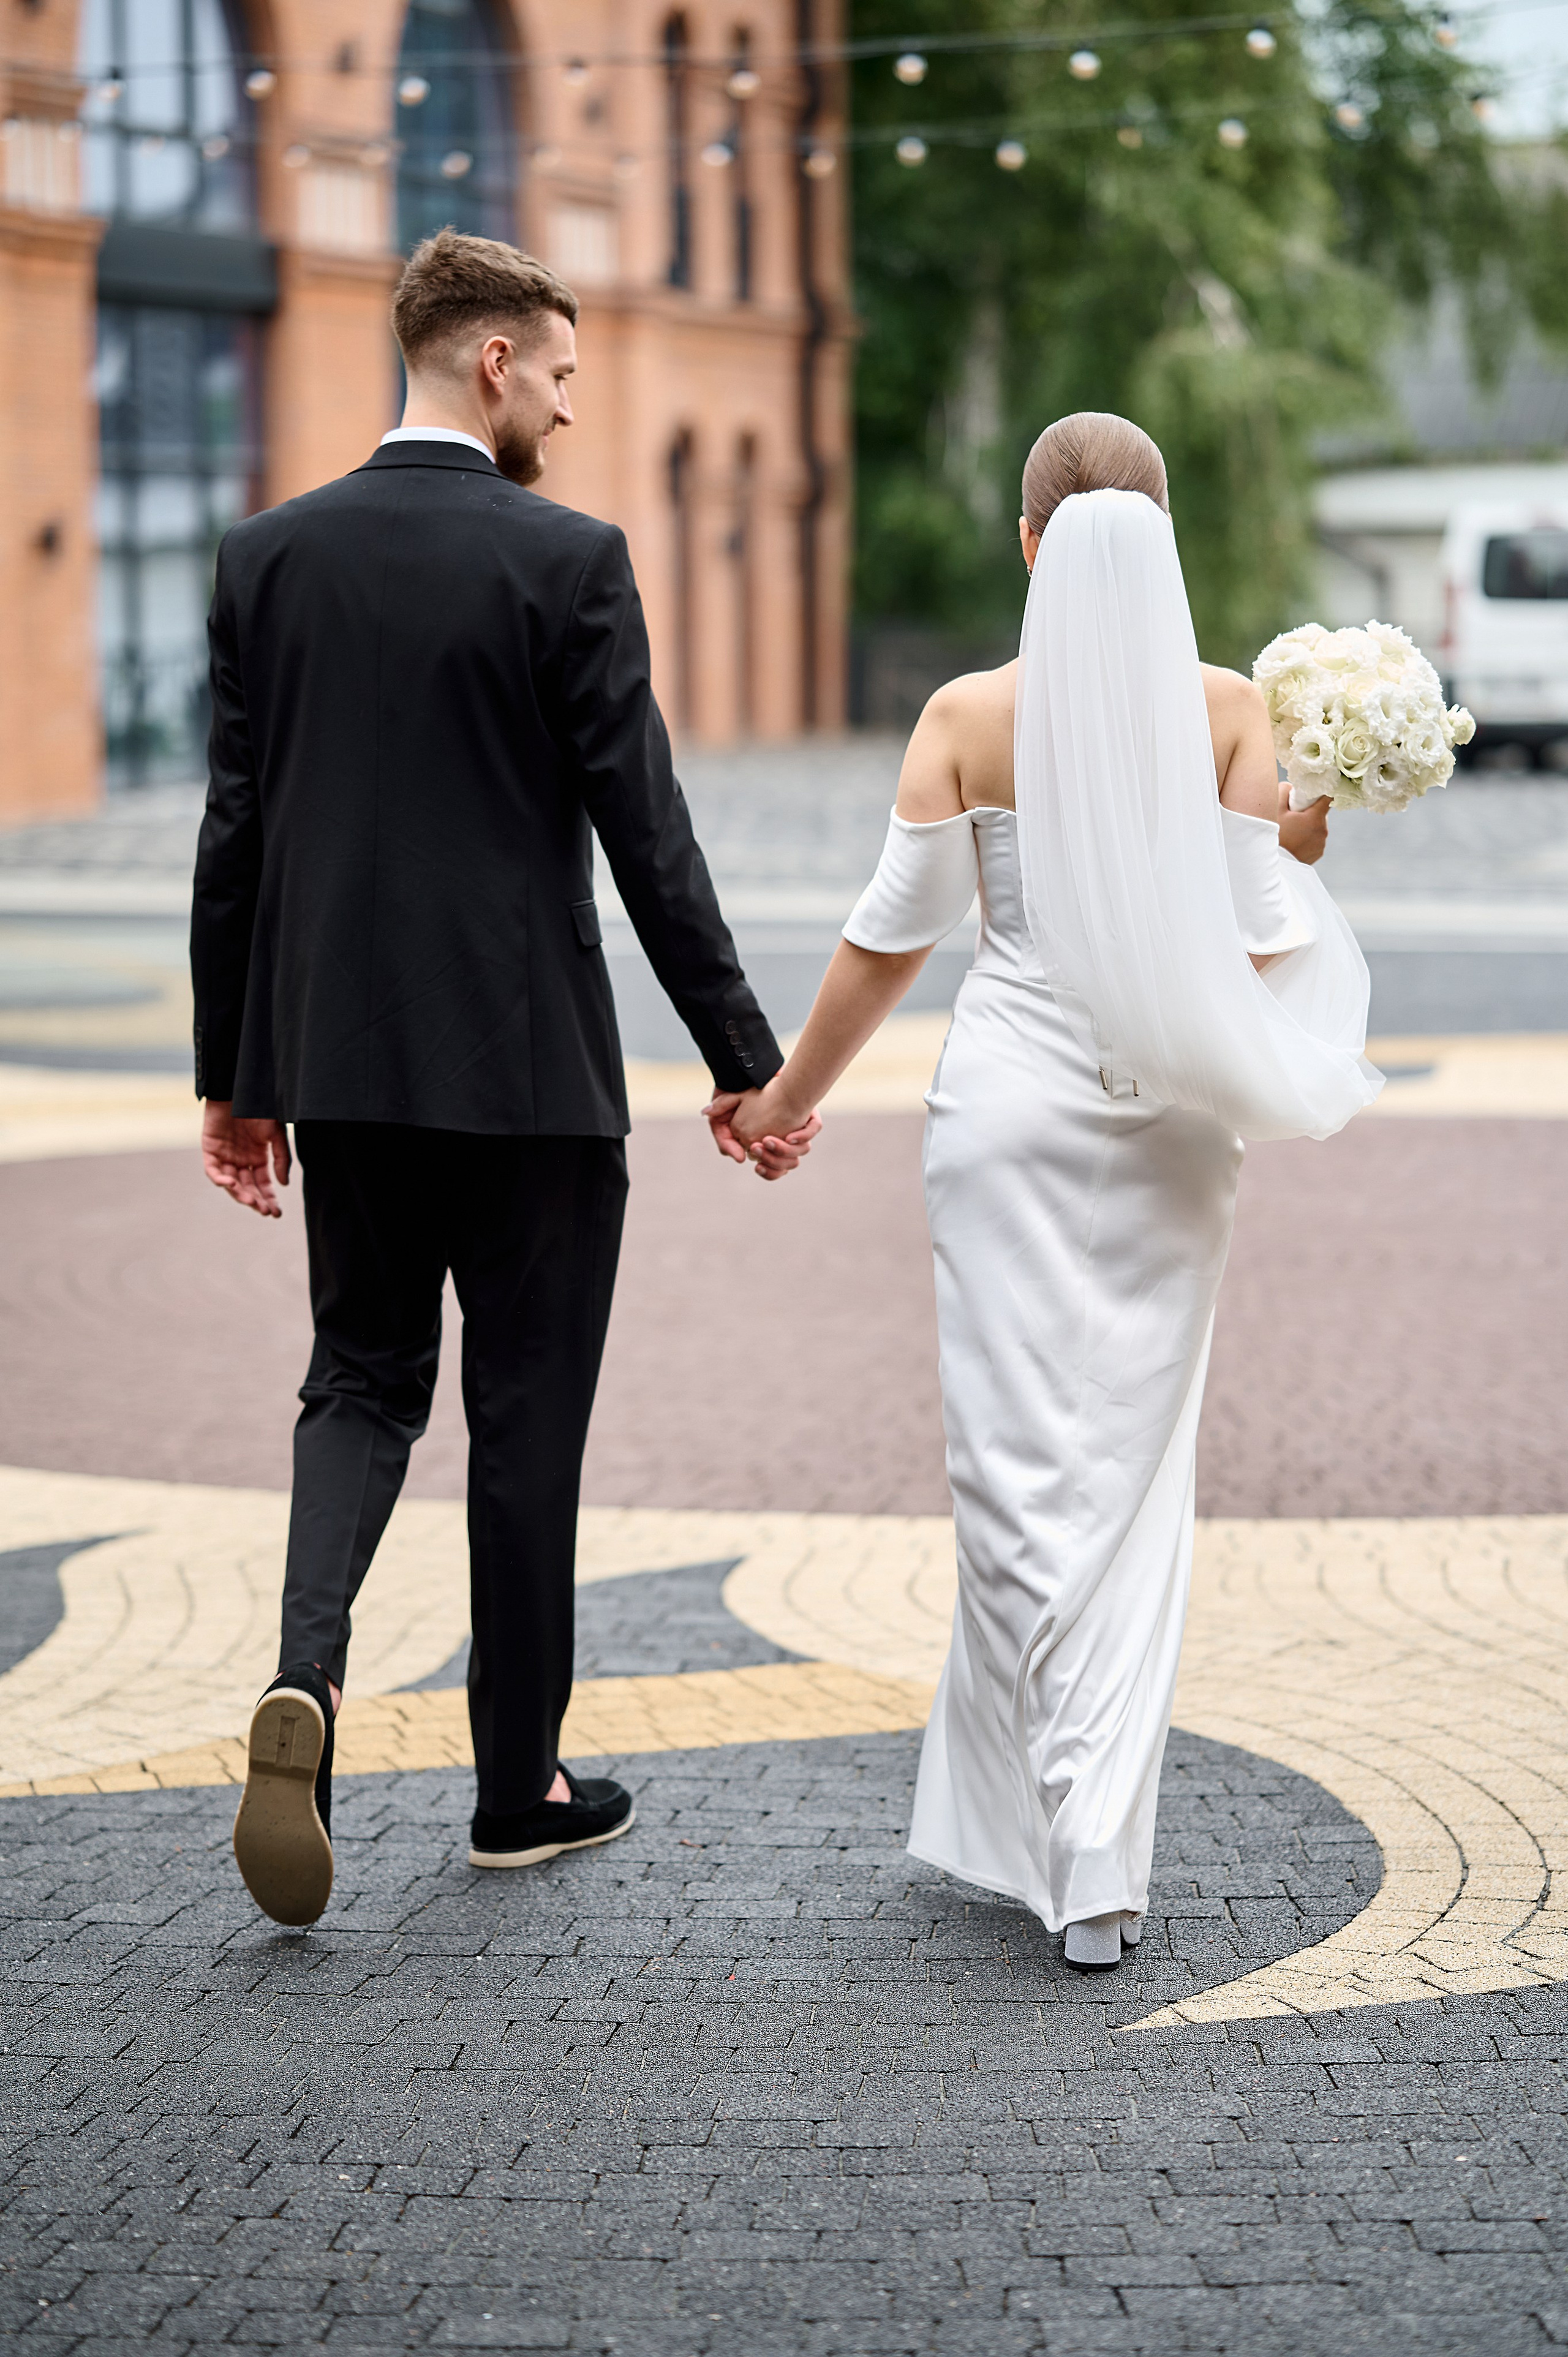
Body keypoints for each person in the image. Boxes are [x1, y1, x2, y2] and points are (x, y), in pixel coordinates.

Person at [194, 229, 816, 1929]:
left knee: (360, 1378)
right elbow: (649, 840)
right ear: (487, 361)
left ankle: (304, 1681)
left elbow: (236, 838)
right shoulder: (570, 561)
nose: (568, 397)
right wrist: (747, 1067)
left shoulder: (267, 558)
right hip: (535, 1080)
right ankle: (516, 1787)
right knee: (523, 1419)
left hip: (338, 1068)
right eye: (554, 367)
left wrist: (234, 1076)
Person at [723, 414, 1379, 1970]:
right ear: (1161, 545)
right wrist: (1310, 812)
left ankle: (1073, 1833)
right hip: (1166, 1123)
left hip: (1002, 1115)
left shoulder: (965, 714)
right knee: (1131, 1474)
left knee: (1013, 1471)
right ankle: (1088, 1844)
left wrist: (779, 1103)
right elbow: (1266, 939)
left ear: (1027, 544)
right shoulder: (1230, 710)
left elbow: (886, 943)